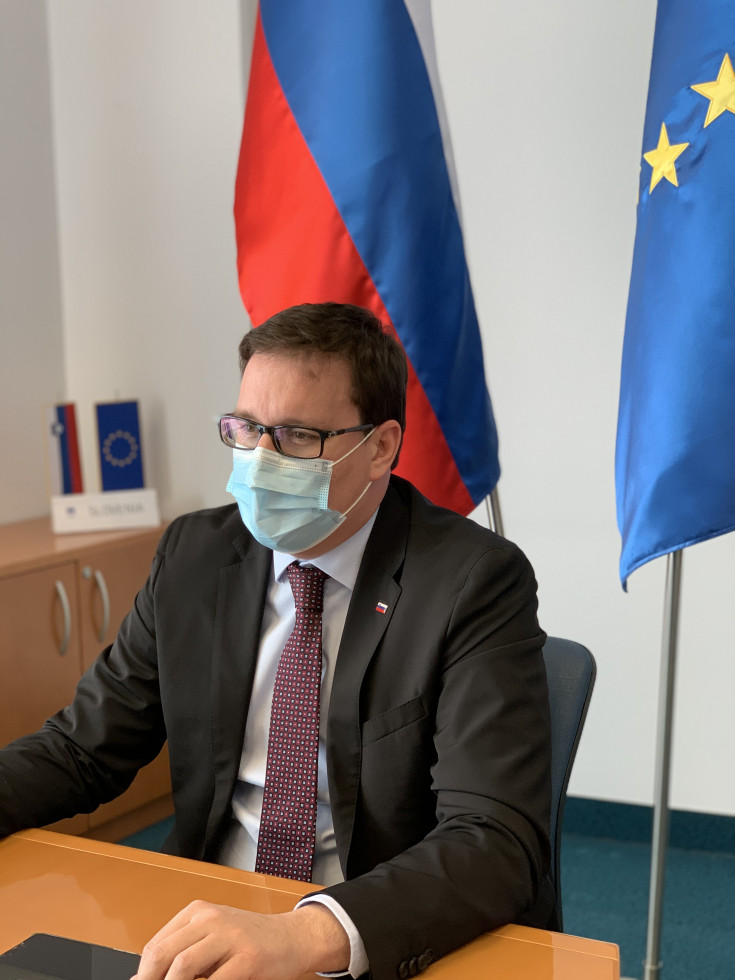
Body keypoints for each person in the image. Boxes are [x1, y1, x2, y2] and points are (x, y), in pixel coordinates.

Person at [0, 303, 554, 979]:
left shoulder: (471, 581)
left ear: (380, 446)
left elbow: (492, 840)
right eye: (246, 429)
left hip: (372, 930)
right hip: (205, 912)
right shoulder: (195, 555)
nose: (259, 461)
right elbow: (82, 749)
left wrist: (308, 933)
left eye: (295, 436)